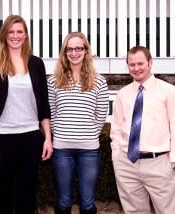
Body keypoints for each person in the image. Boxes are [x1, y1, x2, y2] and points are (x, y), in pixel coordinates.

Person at [0, 15, 53, 214]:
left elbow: (43, 105)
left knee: (27, 193)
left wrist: (47, 138)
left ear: (26, 35)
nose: (15, 36)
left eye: (19, 31)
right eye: (11, 31)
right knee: (2, 194)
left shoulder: (36, 64)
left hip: (30, 137)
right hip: (1, 138)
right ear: (4, 35)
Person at [110, 46, 175, 213]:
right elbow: (116, 128)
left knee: (170, 211)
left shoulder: (168, 91)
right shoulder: (123, 94)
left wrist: (174, 160)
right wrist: (116, 157)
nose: (136, 68)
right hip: (126, 163)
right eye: (132, 64)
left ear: (150, 63)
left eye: (140, 63)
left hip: (158, 163)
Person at [47, 32, 109, 214]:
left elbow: (100, 114)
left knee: (87, 201)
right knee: (63, 199)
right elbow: (51, 113)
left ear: (86, 51)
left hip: (89, 149)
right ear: (64, 52)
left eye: (78, 48)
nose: (74, 53)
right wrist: (60, 134)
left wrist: (88, 134)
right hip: (62, 149)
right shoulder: (53, 81)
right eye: (70, 49)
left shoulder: (99, 81)